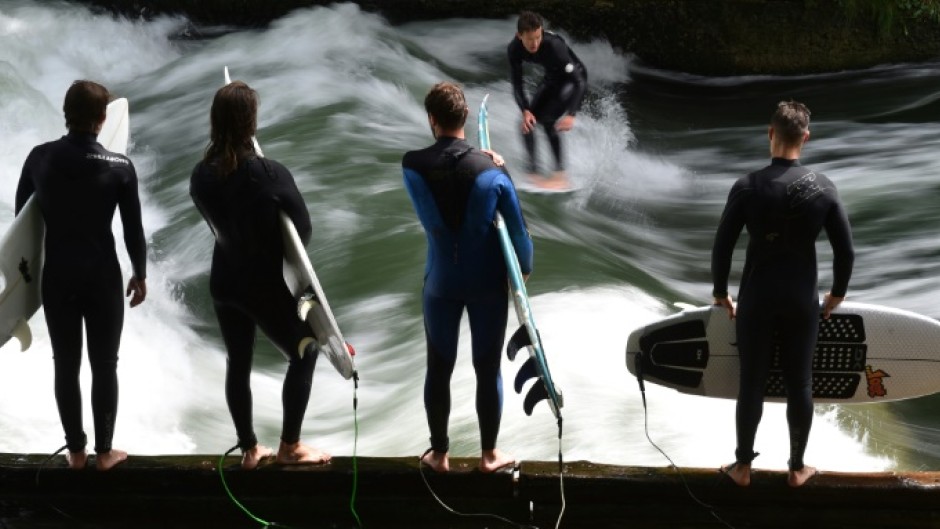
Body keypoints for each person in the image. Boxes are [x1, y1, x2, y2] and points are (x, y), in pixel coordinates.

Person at [711, 100, 854, 488]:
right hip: (801, 299)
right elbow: (845, 251)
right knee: (799, 384)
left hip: (756, 297)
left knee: (751, 384)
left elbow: (722, 246)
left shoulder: (747, 187)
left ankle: (742, 468)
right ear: (806, 138)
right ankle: (796, 468)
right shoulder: (824, 188)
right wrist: (837, 294)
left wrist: (721, 292)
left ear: (770, 133)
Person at [190, 81, 330, 470]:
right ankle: (290, 447)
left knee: (239, 360)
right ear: (251, 122)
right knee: (306, 351)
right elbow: (302, 233)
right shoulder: (269, 174)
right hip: (262, 285)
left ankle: (249, 449)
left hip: (224, 281)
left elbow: (215, 223)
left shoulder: (200, 175)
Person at [15, 80, 148, 471]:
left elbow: (22, 218)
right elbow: (132, 230)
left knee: (65, 364)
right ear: (102, 119)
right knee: (105, 364)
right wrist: (140, 275)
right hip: (102, 277)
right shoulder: (120, 167)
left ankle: (76, 453)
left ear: (65, 113)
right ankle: (104, 454)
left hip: (57, 276)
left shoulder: (39, 158)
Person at [403, 81, 533, 473]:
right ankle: (489, 456)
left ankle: (439, 454)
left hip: (440, 284)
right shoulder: (491, 171)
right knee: (486, 368)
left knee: (438, 368)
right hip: (487, 286)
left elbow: (439, 185)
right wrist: (502, 168)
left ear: (432, 120)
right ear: (464, 119)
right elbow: (519, 236)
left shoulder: (410, 165)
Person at [508, 10, 588, 190]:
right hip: (552, 78)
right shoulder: (514, 49)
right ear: (519, 36)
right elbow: (517, 85)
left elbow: (579, 81)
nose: (535, 43)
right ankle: (532, 172)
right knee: (526, 124)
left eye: (538, 37)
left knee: (547, 121)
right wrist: (525, 110)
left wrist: (571, 114)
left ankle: (561, 175)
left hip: (573, 80)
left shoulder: (554, 46)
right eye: (530, 39)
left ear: (542, 32)